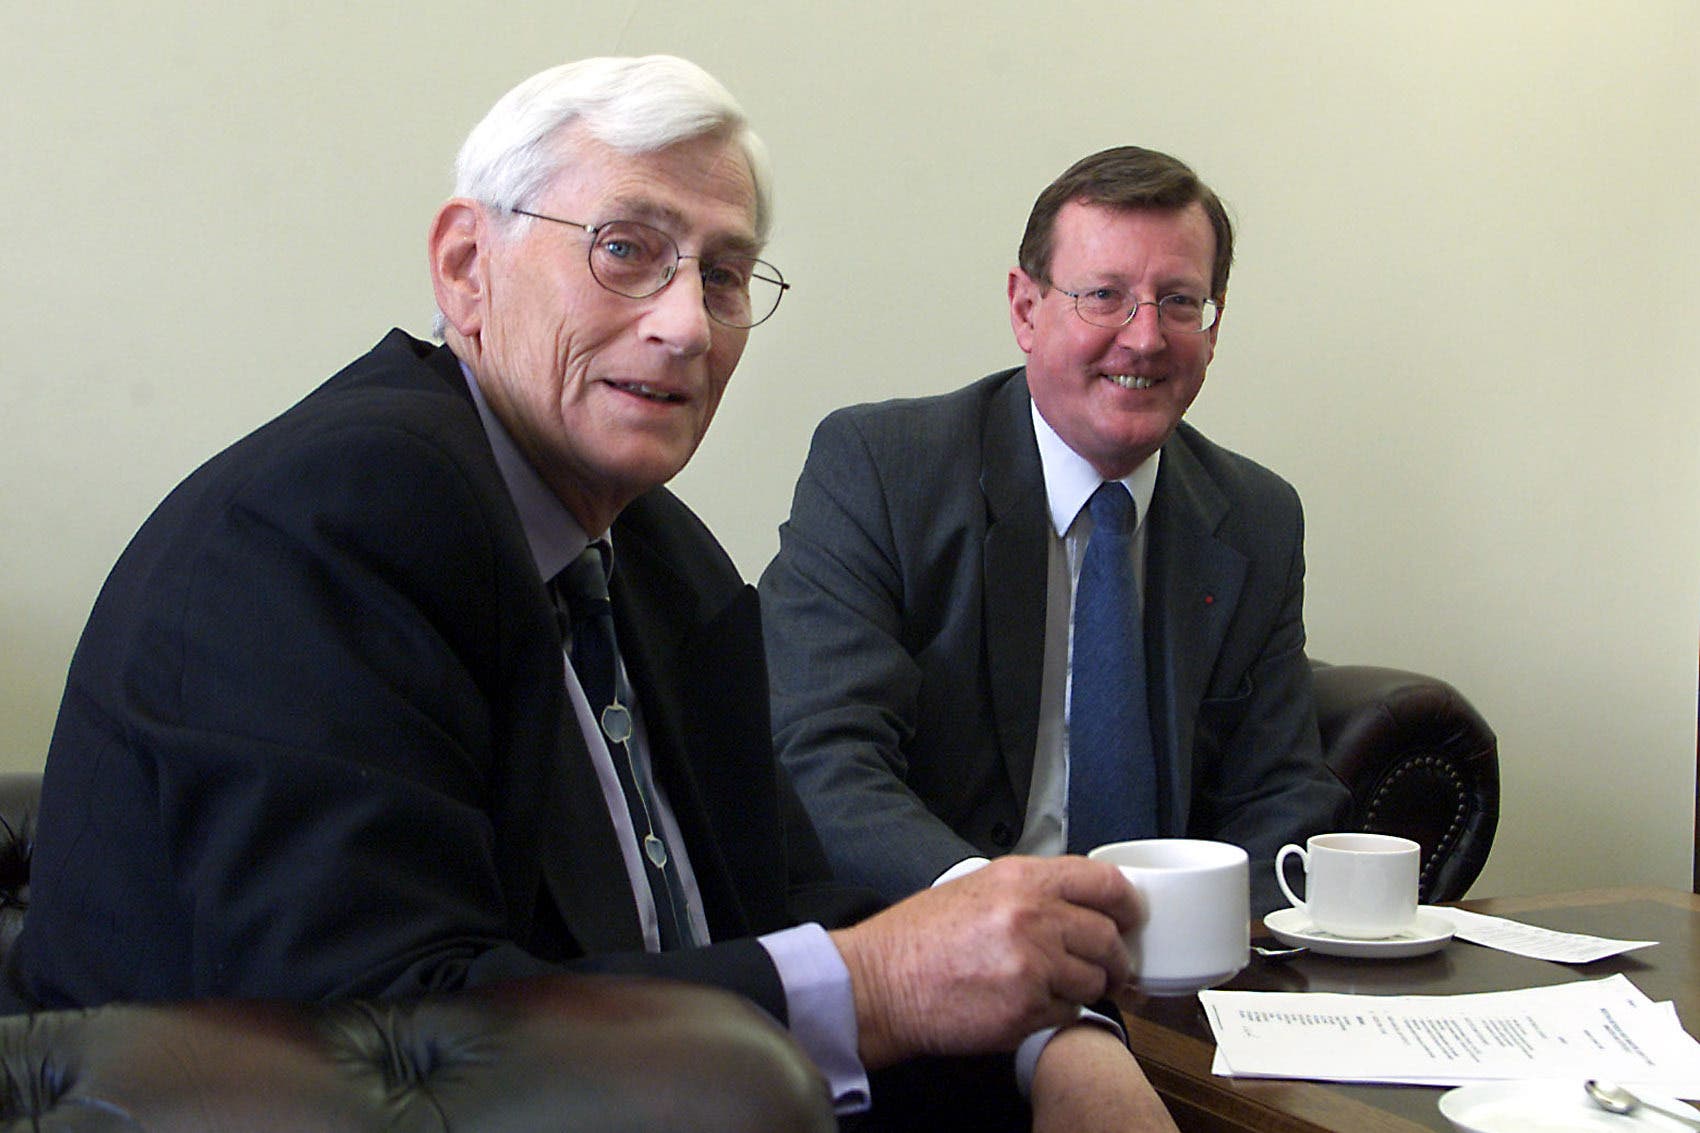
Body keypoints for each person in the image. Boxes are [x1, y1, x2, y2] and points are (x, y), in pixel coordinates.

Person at [2, 57, 1181, 1132]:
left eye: (721, 274)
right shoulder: (336, 509)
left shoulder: (663, 560)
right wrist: (881, 983)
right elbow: (385, 1034)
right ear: (467, 266)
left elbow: (798, 900)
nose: (682, 324)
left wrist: (1050, 1037)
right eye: (624, 248)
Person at [759, 146, 1350, 916]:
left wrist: (1213, 941)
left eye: (1179, 302)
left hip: (1168, 958)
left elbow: (1279, 787)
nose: (1145, 338)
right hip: (934, 944)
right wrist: (993, 911)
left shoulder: (1257, 517)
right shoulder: (882, 471)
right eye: (1104, 295)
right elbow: (823, 757)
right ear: (1025, 309)